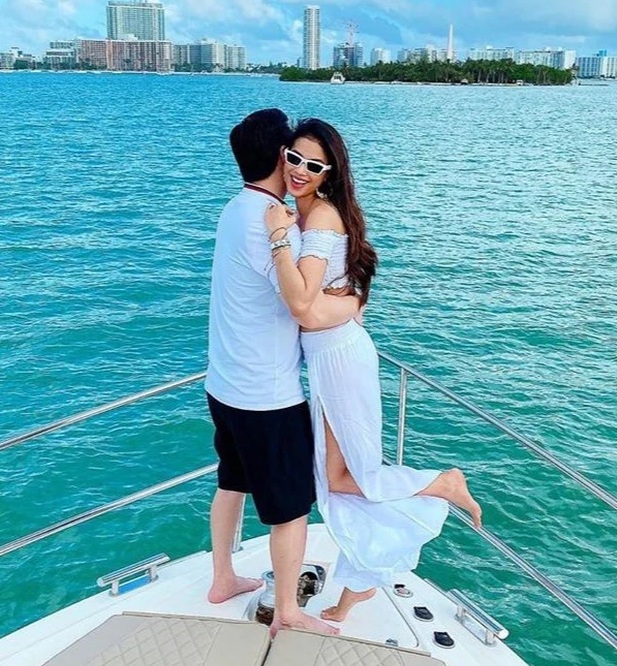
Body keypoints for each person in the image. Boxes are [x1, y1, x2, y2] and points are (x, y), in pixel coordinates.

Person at [265, 118, 483, 622]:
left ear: (330, 174)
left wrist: (278, 238)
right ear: (282, 154)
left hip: (341, 359)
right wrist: (348, 300)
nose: (300, 170)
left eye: (314, 165)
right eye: (294, 157)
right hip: (328, 360)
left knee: (346, 479)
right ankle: (356, 591)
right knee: (335, 481)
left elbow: (303, 307)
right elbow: (329, 300)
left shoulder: (320, 217)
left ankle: (442, 484)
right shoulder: (306, 212)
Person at [205, 109, 360, 636]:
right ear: (280, 156)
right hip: (265, 395)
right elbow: (305, 308)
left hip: (222, 384)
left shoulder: (235, 208)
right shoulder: (272, 225)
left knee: (232, 480)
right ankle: (289, 610)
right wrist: (355, 302)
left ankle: (222, 577)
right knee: (291, 508)